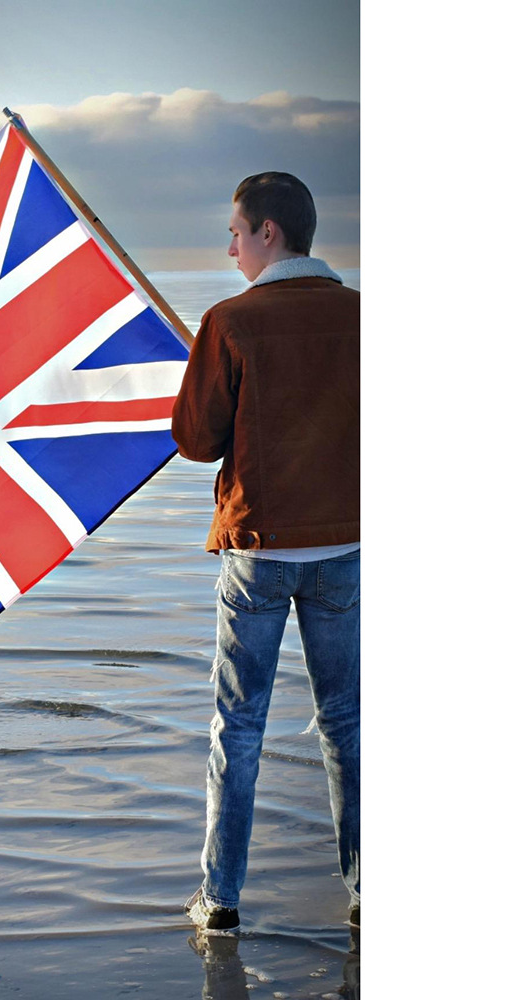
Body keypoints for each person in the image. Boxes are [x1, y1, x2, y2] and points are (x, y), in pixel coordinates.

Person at [171, 172, 360, 936]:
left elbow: (195, 440)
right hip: (345, 546)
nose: (231, 249)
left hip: (258, 549)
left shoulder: (231, 322)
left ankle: (219, 900)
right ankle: (368, 891)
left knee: (239, 726)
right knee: (345, 721)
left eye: (236, 233)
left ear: (269, 233)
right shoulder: (366, 317)